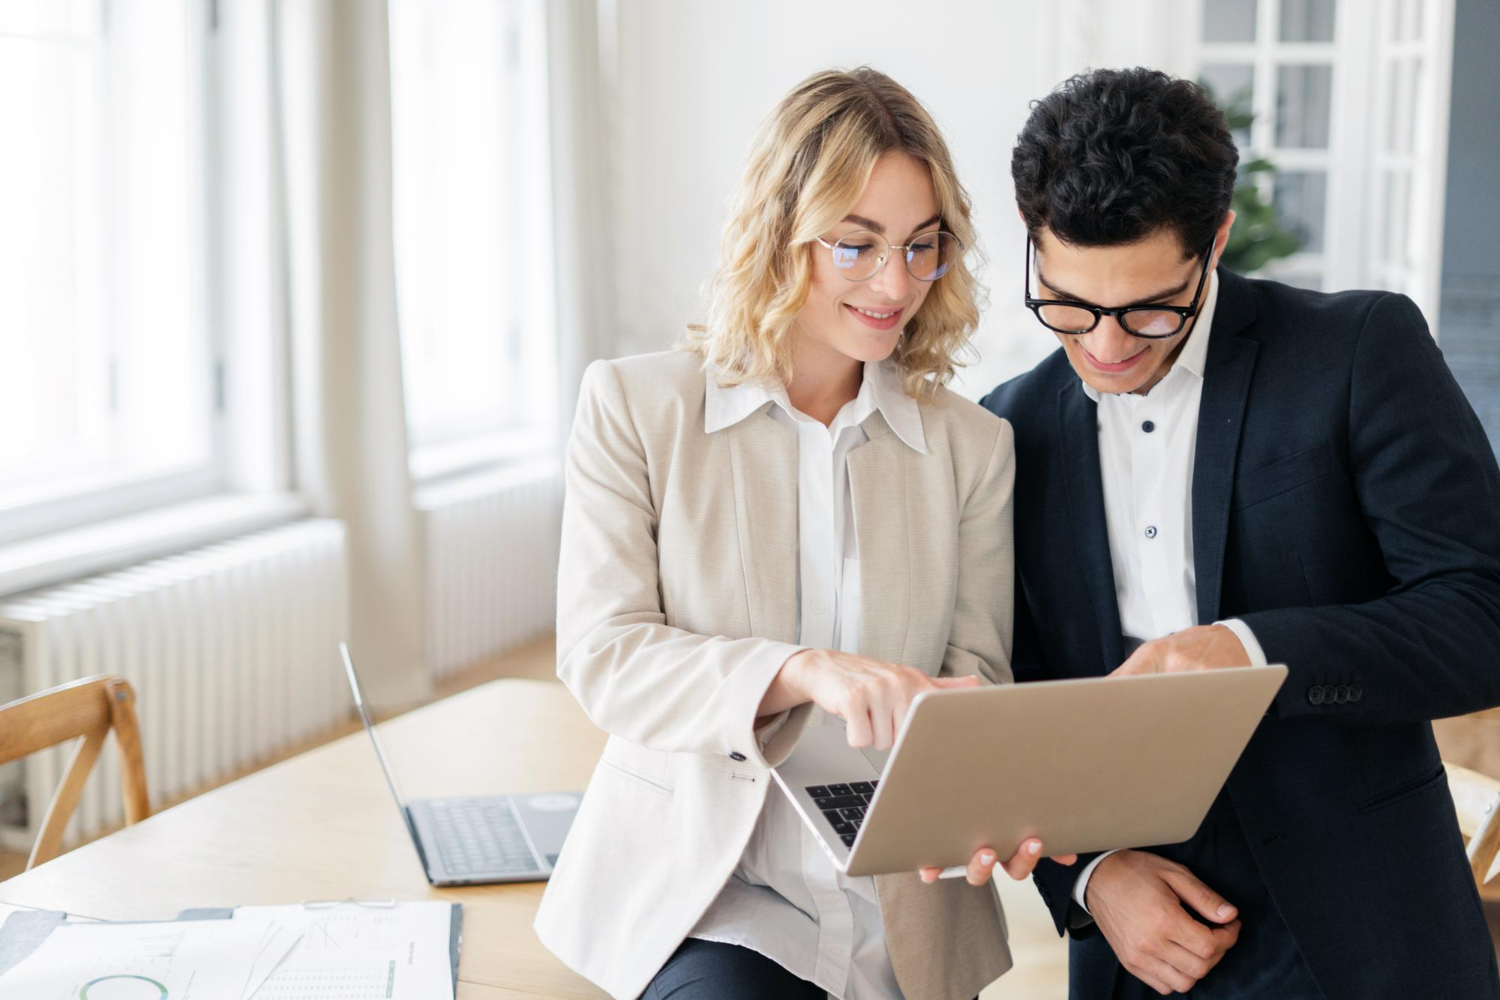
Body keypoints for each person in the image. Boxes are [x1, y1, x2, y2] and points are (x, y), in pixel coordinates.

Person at [533, 67, 1070, 1000]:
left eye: (920, 246)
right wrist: (800, 670)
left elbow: (974, 678)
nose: (893, 283)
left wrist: (989, 786)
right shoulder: (637, 407)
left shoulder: (973, 448)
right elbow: (604, 654)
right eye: (855, 246)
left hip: (905, 909)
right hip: (715, 892)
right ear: (781, 235)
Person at [972, 67, 1500, 999]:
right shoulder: (1005, 429)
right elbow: (1004, 696)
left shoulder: (1359, 351)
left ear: (1214, 241)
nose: (1104, 347)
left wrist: (1247, 651)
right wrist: (1090, 875)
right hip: (1139, 950)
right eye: (1067, 304)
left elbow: (1481, 615)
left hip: (1366, 928)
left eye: (1148, 309)